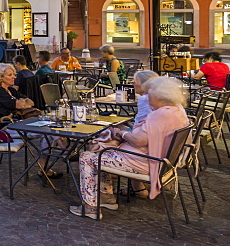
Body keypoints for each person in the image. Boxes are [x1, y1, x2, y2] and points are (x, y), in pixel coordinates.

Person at [72, 76, 190, 219]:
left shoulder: (160, 115)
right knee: (103, 151)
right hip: (162, 163)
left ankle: (90, 207)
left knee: (87, 157)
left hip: (145, 162)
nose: (147, 98)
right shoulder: (176, 112)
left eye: (150, 95)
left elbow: (138, 141)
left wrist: (122, 133)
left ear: (159, 96)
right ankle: (105, 197)